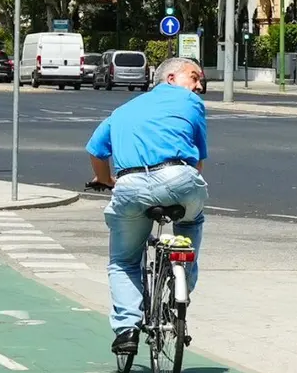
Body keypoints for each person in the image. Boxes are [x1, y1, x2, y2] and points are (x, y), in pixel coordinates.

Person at [85, 56, 209, 355]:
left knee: (124, 261)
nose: (199, 86)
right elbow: (199, 161)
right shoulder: (190, 104)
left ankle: (126, 329)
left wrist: (106, 180)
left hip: (130, 185)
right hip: (180, 177)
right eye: (194, 77)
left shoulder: (122, 111)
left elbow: (95, 149)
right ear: (171, 79)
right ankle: (179, 295)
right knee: (190, 223)